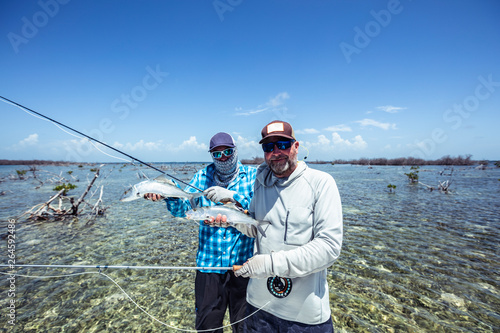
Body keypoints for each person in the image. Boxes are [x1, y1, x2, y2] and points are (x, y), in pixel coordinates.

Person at [229, 120, 343, 332]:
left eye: (282, 144)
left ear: (296, 146)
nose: (276, 152)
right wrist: (230, 217)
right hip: (257, 307)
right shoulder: (261, 183)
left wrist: (270, 264)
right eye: (268, 147)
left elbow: (329, 248)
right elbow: (256, 227)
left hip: (304, 318)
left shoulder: (321, 183)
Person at [145, 132, 257, 333]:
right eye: (217, 154)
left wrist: (234, 197)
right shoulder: (200, 177)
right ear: (211, 156)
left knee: (245, 327)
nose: (223, 157)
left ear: (235, 150)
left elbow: (261, 210)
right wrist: (168, 195)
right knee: (207, 327)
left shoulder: (253, 176)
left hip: (244, 265)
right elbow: (184, 210)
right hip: (209, 265)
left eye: (227, 152)